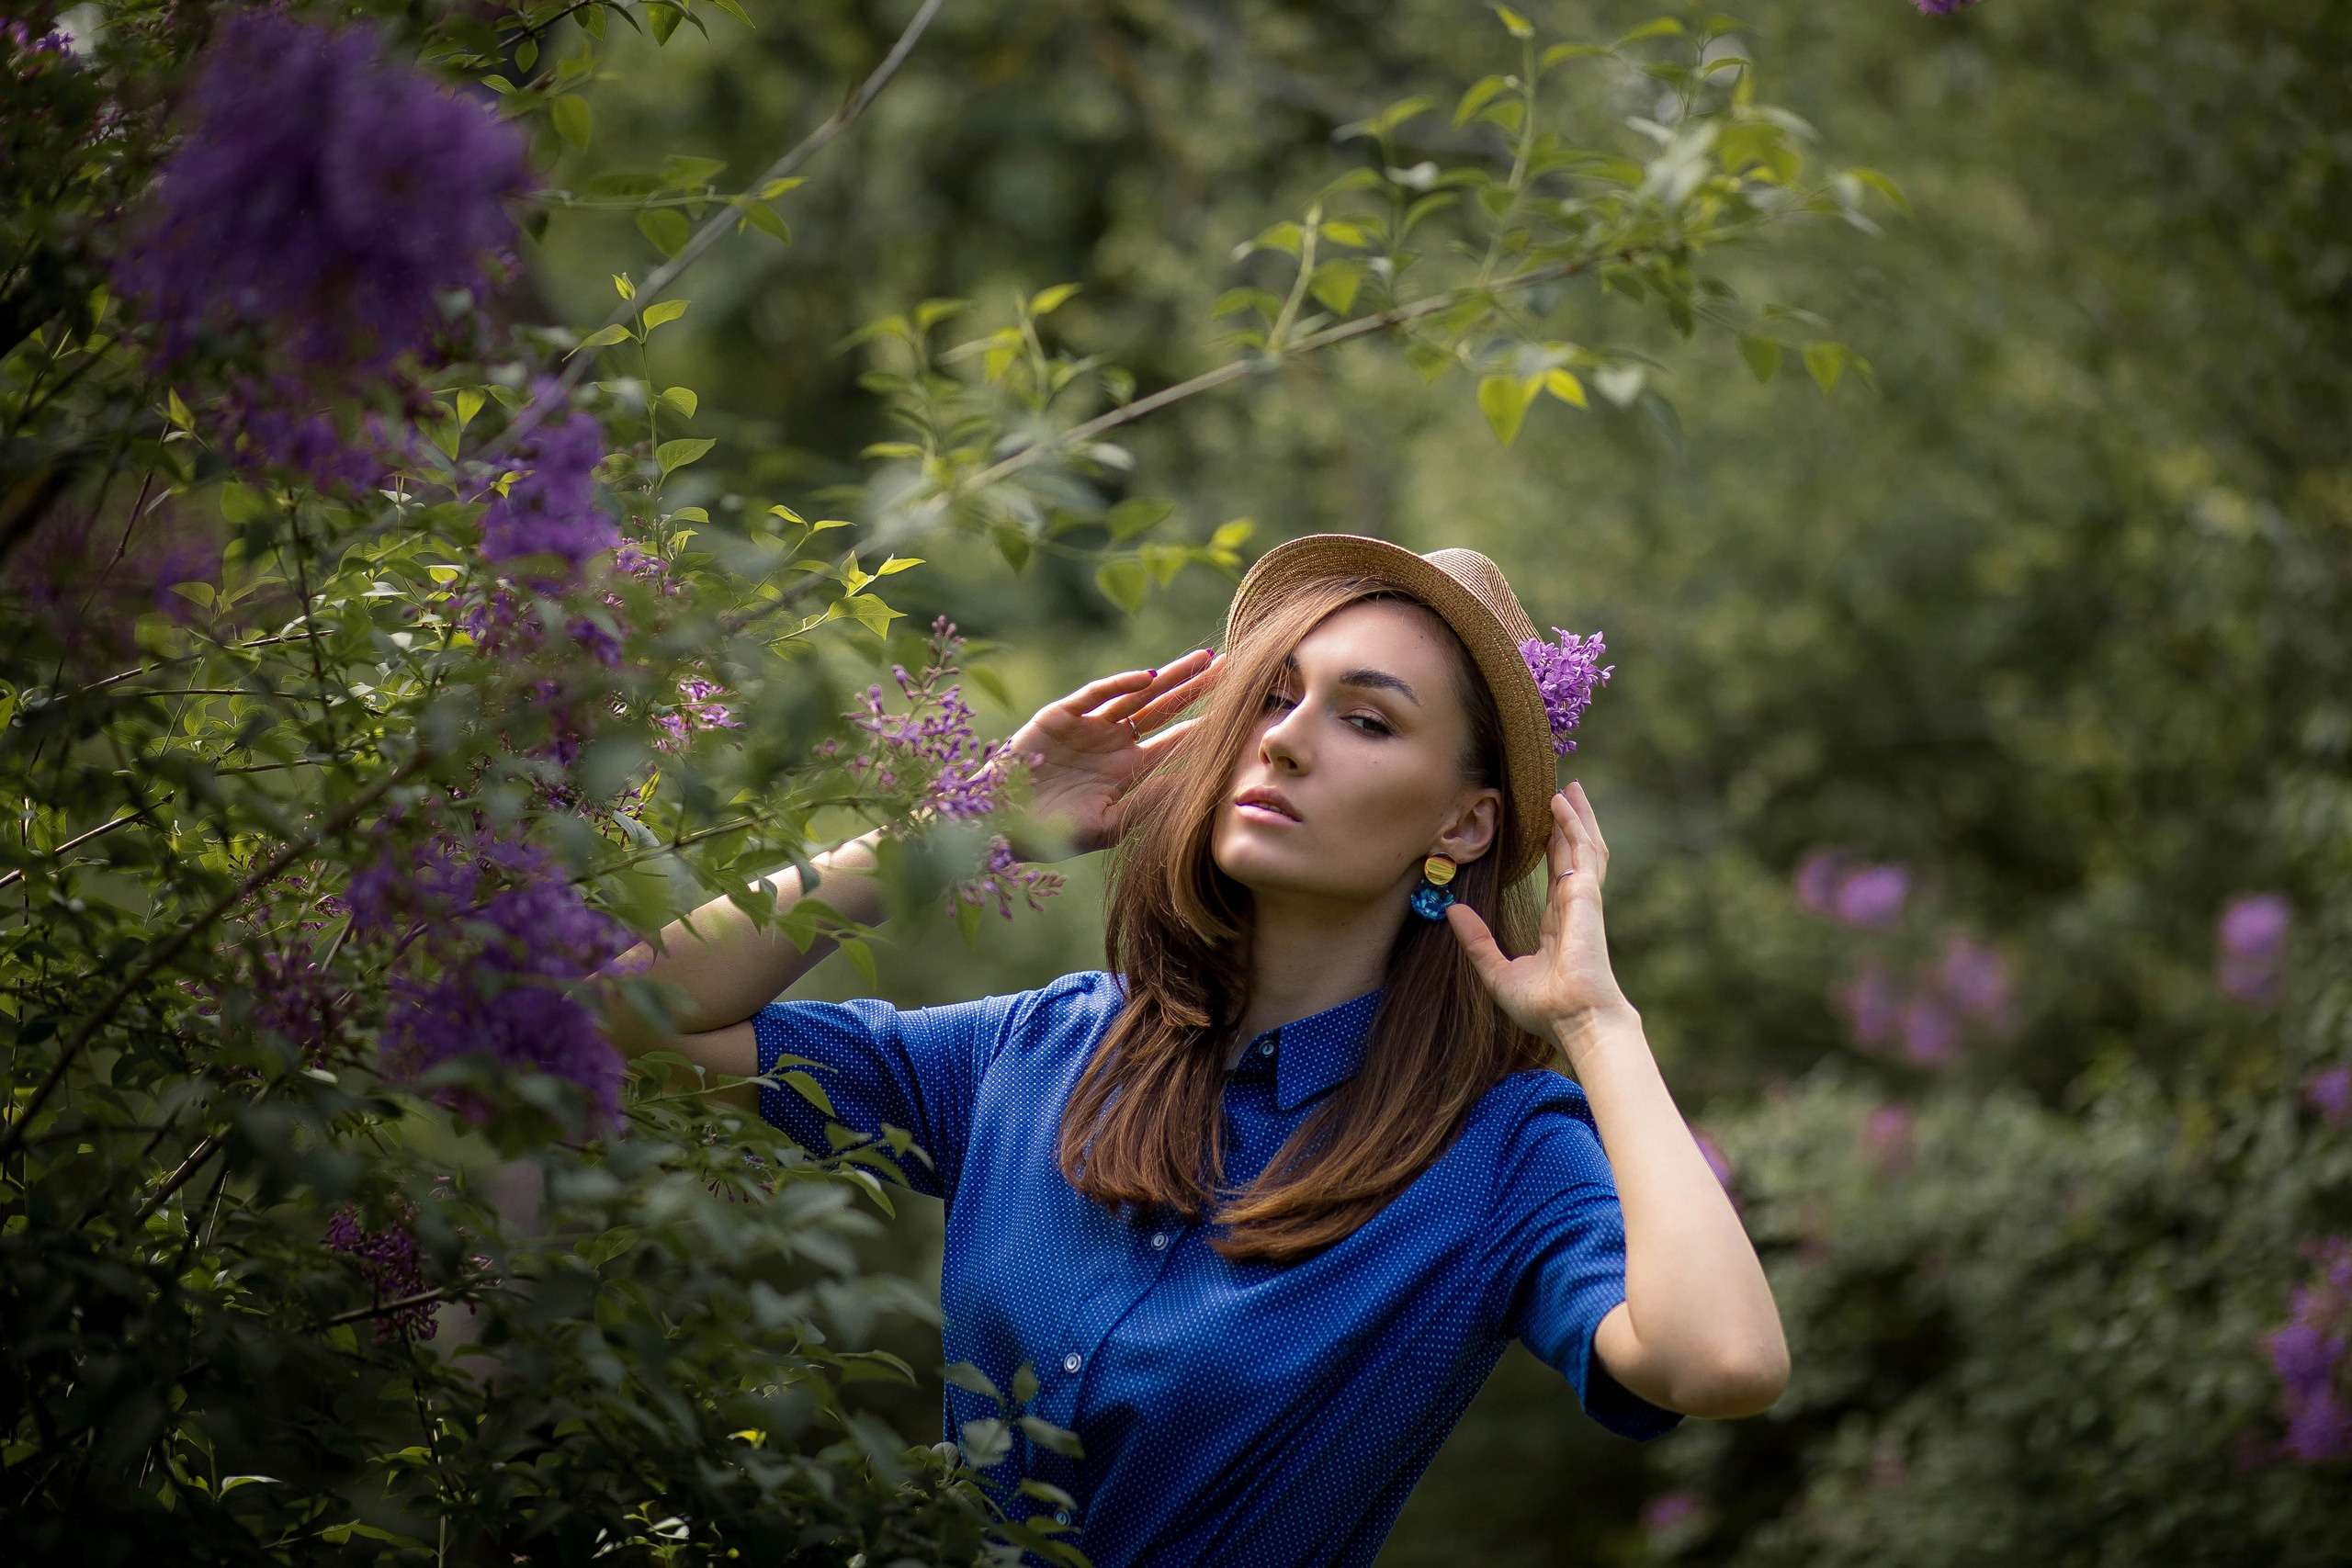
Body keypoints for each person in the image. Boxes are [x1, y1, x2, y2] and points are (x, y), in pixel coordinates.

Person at [604, 535, 1788, 1566]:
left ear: (1462, 823)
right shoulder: (1043, 1049)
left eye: (1365, 718)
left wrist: (1596, 1022)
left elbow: (1722, 1361)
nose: (1283, 744)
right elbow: (619, 1020)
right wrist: (961, 825)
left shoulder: (1496, 1161)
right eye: (1272, 699)